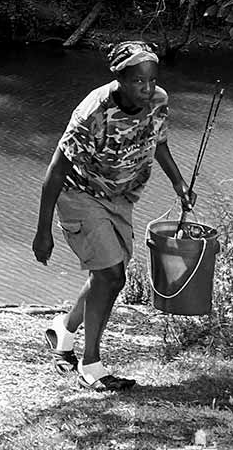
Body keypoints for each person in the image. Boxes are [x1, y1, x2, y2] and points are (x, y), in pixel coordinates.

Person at [31, 40, 194, 391]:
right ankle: (91, 365)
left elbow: (158, 141)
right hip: (80, 195)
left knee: (108, 276)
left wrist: (179, 183)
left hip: (121, 198)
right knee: (111, 274)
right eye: (138, 81)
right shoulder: (92, 111)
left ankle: (63, 330)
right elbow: (56, 170)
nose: (147, 89)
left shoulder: (158, 101)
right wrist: (43, 231)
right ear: (119, 78)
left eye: (152, 80)